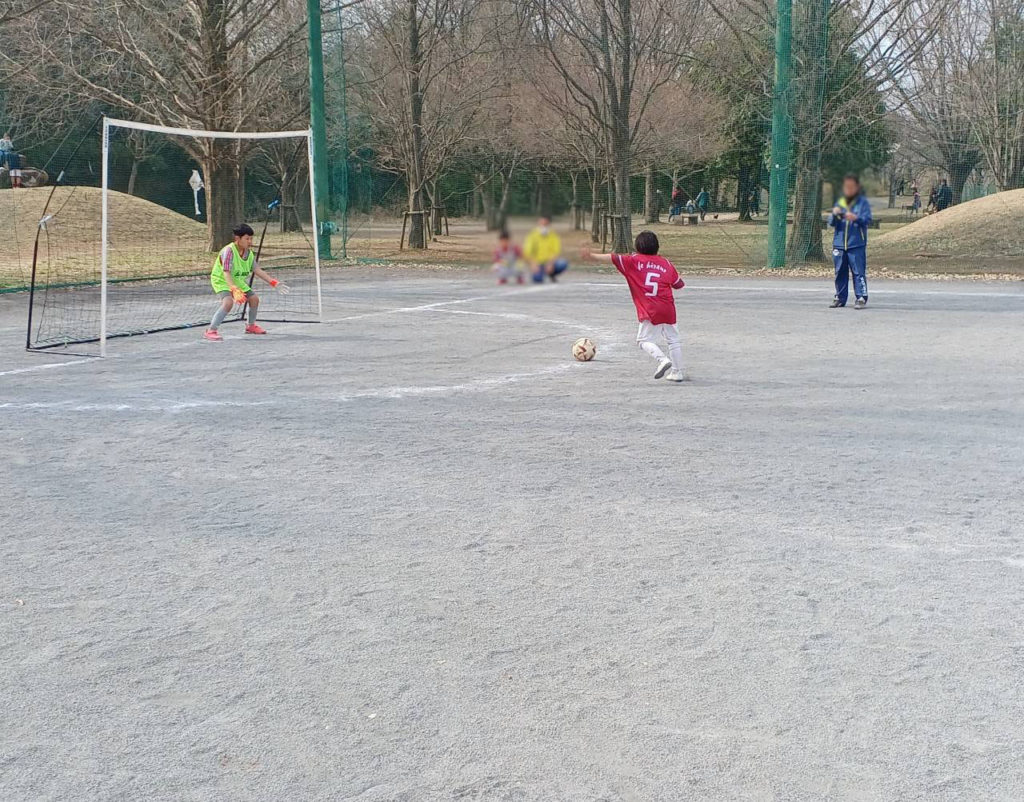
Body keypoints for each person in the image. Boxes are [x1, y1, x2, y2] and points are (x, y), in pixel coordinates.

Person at [581, 230, 686, 382]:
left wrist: (591, 256)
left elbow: (612, 257)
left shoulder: (633, 261)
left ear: (638, 247)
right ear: (657, 247)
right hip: (668, 308)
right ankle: (677, 372)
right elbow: (679, 284)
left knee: (643, 341)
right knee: (673, 340)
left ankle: (662, 360)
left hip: (650, 309)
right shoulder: (666, 263)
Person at [203, 224, 289, 341]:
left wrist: (273, 282)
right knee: (228, 303)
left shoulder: (249, 253)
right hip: (222, 279)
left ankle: (250, 326)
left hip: (237, 280)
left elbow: (257, 270)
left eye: (251, 238)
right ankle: (211, 331)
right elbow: (226, 272)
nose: (250, 242)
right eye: (247, 239)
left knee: (254, 299)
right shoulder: (228, 251)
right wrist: (234, 289)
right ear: (237, 238)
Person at [828, 173, 872, 310]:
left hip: (856, 244)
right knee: (839, 272)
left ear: (857, 187)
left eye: (851, 187)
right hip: (839, 244)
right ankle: (840, 297)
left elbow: (867, 220)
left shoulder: (862, 203)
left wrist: (855, 218)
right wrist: (834, 214)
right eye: (846, 187)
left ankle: (861, 297)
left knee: (858, 272)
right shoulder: (840, 202)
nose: (849, 189)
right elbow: (831, 222)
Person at [523, 215, 568, 283]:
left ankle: (551, 274)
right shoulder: (532, 235)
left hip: (549, 263)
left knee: (562, 263)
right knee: (537, 279)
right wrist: (533, 264)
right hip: (537, 263)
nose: (543, 226)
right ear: (538, 223)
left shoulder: (553, 235)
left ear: (549, 224)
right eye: (541, 224)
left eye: (545, 224)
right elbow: (527, 252)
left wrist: (550, 263)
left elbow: (556, 251)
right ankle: (538, 273)